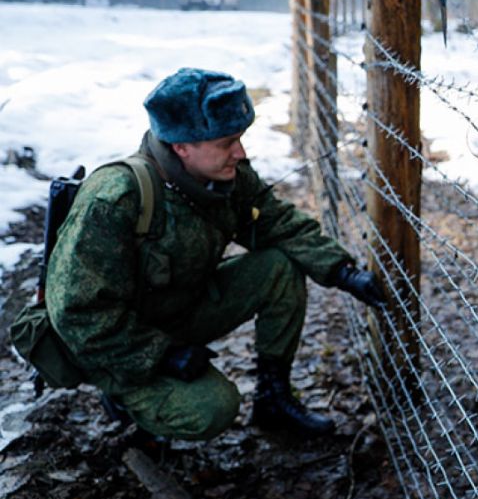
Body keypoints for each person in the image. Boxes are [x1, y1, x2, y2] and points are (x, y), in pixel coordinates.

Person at [45, 67, 384, 442]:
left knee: (280, 266)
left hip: (180, 308)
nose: (240, 152)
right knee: (212, 409)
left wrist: (342, 271)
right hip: (119, 341)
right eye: (227, 142)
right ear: (181, 146)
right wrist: (162, 355)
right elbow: (76, 314)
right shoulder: (115, 199)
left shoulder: (223, 175)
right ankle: (127, 400)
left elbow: (274, 221)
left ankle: (274, 399)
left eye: (240, 139)